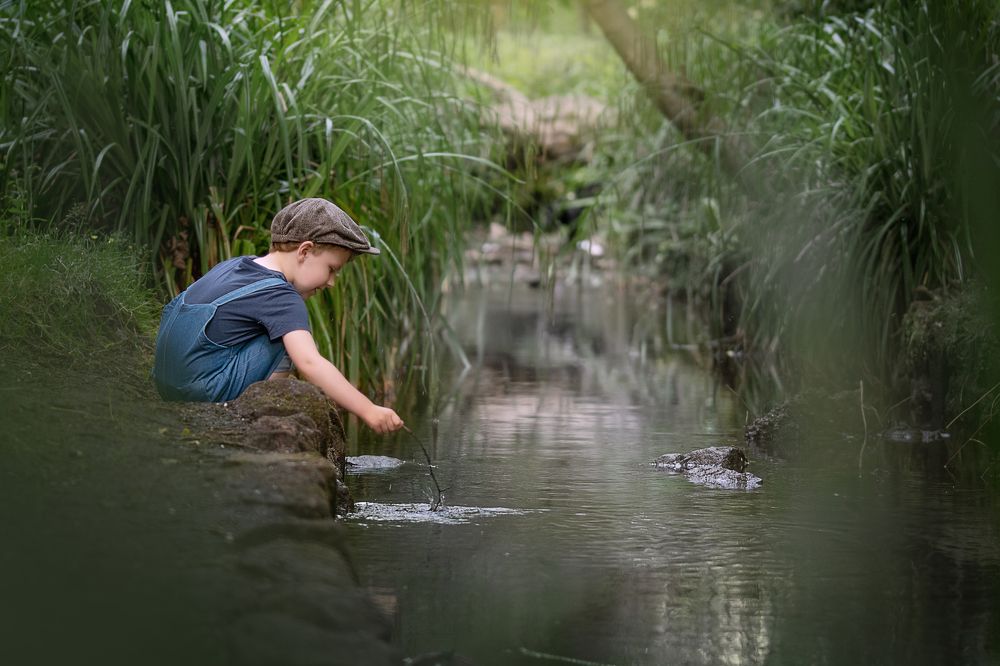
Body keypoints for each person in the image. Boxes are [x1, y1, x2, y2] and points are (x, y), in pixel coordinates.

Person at [152, 197, 404, 434]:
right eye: (331, 270)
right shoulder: (282, 297)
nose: (331, 283)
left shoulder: (234, 265)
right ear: (304, 251)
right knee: (291, 342)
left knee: (284, 334)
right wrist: (368, 410)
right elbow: (309, 363)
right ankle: (256, 409)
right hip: (201, 394)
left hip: (165, 383)